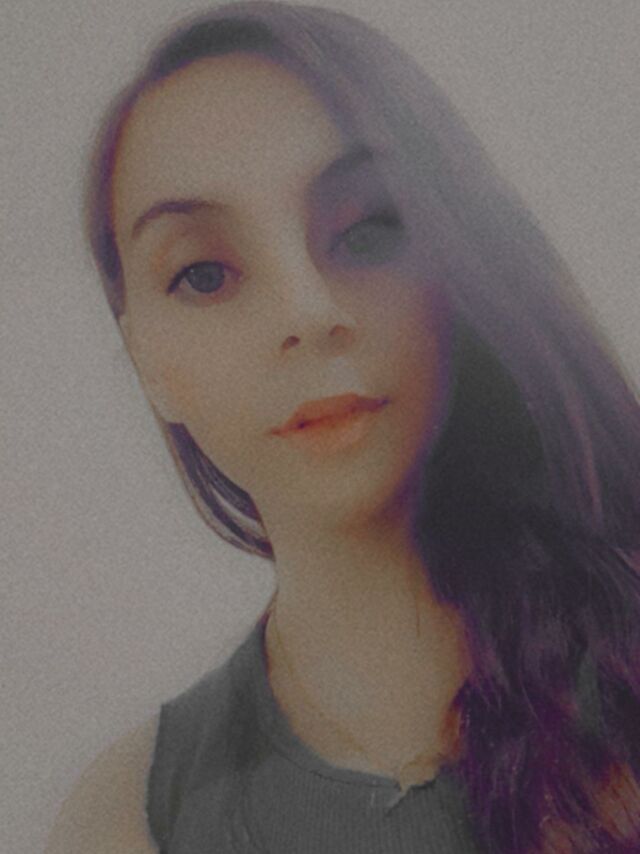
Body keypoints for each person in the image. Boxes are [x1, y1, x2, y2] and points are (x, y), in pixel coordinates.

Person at [46, 2, 640, 852]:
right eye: (204, 273)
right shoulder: (128, 821)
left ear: (459, 255)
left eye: (368, 229)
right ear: (145, 359)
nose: (307, 311)